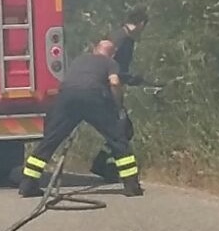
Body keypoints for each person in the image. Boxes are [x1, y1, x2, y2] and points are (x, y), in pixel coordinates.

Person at [18, 40, 144, 198]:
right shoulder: (110, 63)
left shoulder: (80, 60)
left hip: (66, 98)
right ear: (112, 54)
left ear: (95, 49)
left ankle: (28, 184)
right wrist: (117, 104)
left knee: (50, 140)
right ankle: (131, 186)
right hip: (93, 97)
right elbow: (114, 82)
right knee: (117, 139)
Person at [90, 7, 152, 182]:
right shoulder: (122, 39)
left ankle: (103, 163)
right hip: (107, 89)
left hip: (110, 88)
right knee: (123, 129)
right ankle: (106, 166)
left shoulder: (122, 37)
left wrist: (129, 78)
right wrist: (128, 78)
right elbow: (108, 64)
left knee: (121, 129)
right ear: (141, 24)